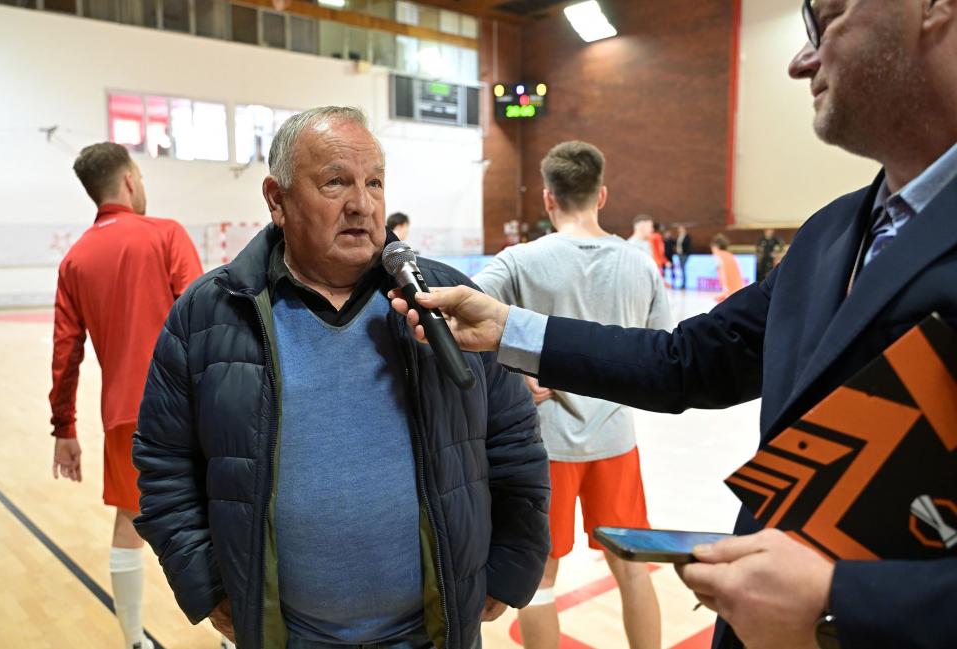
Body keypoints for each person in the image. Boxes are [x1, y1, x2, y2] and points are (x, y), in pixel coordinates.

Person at [389, 0, 957, 646]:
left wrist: (842, 601)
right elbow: (684, 359)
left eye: (826, 21)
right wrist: (508, 327)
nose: (802, 60)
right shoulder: (830, 232)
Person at [133, 106, 550, 649]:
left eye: (374, 182)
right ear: (277, 199)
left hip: (434, 632)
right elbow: (164, 461)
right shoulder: (209, 312)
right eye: (335, 182)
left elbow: (514, 441)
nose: (362, 204)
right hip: (286, 636)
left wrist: (512, 565)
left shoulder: (446, 300)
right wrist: (206, 583)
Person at [474, 141, 666, 649]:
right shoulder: (641, 265)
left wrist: (511, 373)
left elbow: (456, 314)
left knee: (539, 580)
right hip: (616, 442)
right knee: (634, 569)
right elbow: (661, 353)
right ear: (601, 195)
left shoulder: (519, 261)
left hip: (546, 447)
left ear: (547, 198)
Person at [49, 142, 203, 649]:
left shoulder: (74, 260)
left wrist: (64, 428)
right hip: (188, 407)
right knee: (219, 512)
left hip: (124, 415)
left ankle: (136, 640)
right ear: (130, 180)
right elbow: (204, 323)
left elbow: (65, 352)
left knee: (129, 520)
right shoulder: (166, 234)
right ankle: (232, 636)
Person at [709, 234, 745, 302]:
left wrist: (725, 291)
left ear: (716, 246)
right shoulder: (730, 255)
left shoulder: (718, 255)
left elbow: (723, 273)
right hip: (738, 289)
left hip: (730, 292)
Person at [674, 225, 692, 290]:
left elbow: (688, 246)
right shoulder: (679, 236)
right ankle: (682, 283)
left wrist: (685, 252)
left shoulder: (687, 236)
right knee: (682, 269)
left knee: (683, 269)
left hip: (684, 254)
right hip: (679, 254)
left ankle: (684, 284)